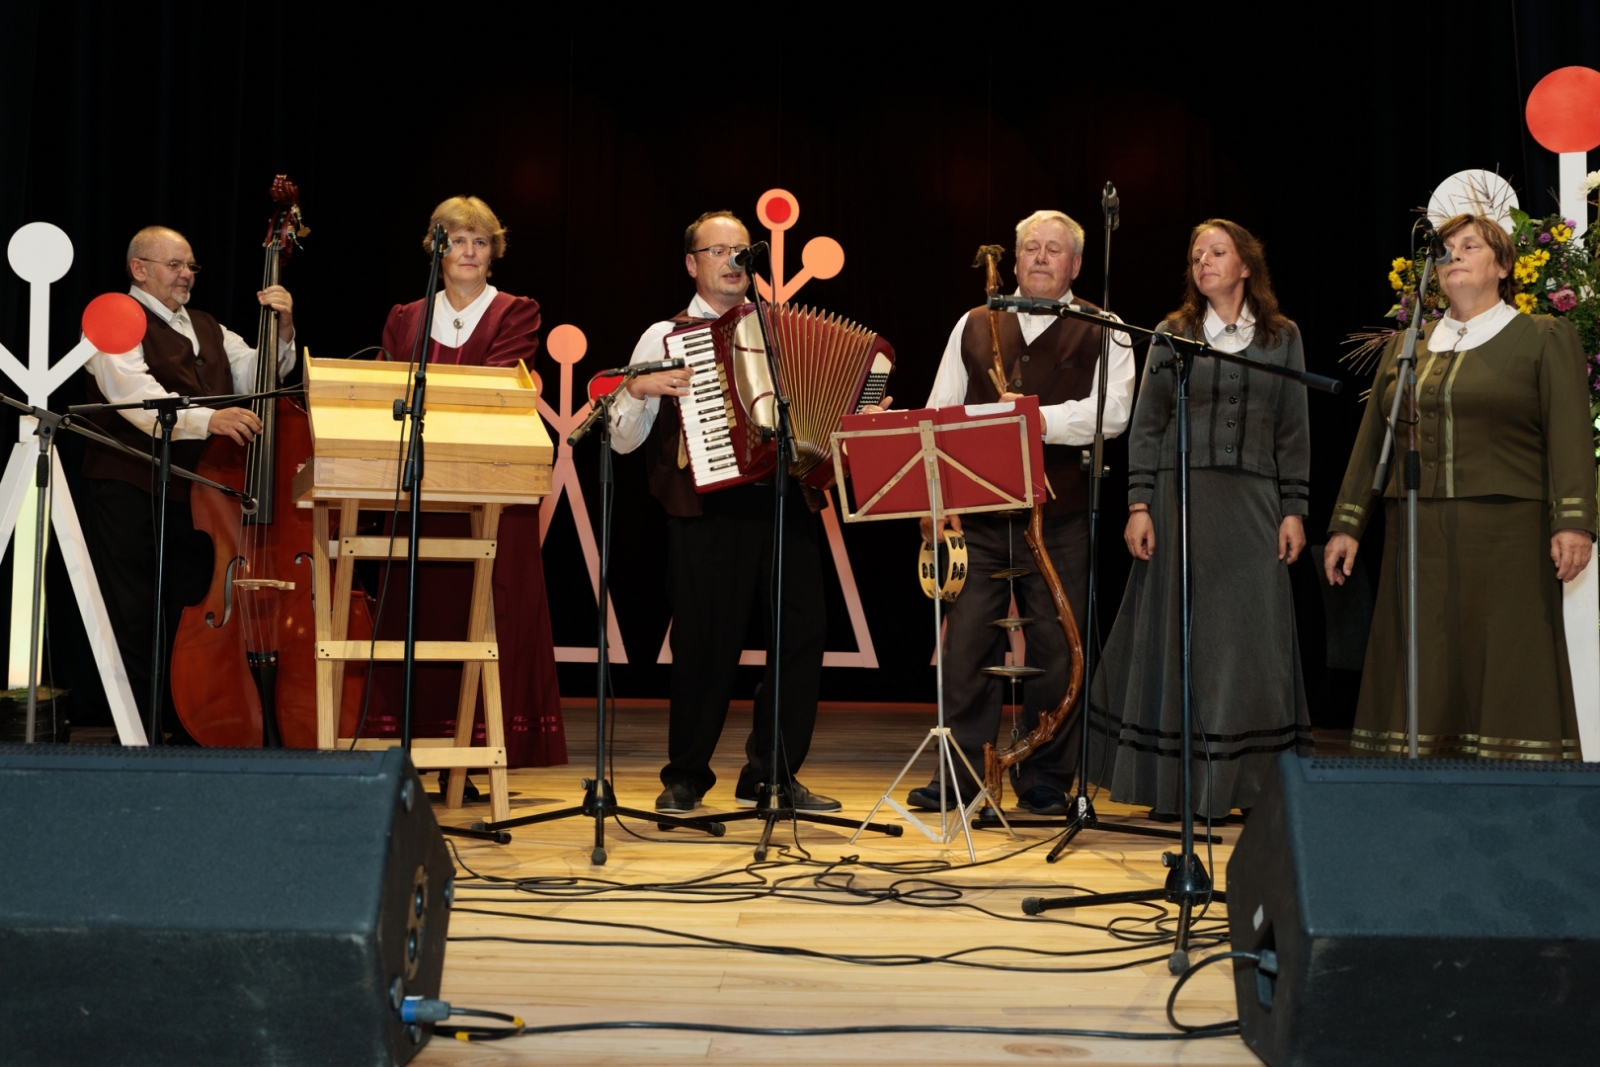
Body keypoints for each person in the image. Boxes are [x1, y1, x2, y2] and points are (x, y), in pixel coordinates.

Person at [1325, 212, 1595, 760]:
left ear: (1502, 266)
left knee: (1508, 659)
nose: (1454, 256)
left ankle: (1516, 788)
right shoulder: (1408, 346)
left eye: (1470, 246)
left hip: (1509, 532)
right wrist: (1348, 524)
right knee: (1424, 656)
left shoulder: (1543, 336)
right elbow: (1375, 440)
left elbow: (1569, 431)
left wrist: (1573, 521)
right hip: (1417, 530)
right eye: (1446, 249)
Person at [608, 209, 840, 815]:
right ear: (692, 263)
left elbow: (820, 410)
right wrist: (634, 391)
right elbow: (622, 440)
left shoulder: (778, 326)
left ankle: (774, 773)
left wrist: (850, 423)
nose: (734, 261)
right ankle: (686, 773)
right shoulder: (665, 336)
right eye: (719, 251)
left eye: (742, 251)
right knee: (706, 643)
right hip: (705, 506)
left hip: (787, 499)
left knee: (801, 637)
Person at [907, 210, 1136, 815]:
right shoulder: (976, 322)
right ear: (1014, 260)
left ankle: (1045, 776)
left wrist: (1034, 418)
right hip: (979, 513)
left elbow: (1112, 415)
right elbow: (939, 411)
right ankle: (961, 774)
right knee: (965, 650)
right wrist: (933, 500)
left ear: (1076, 264)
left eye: (1053, 250)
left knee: (1057, 646)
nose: (1039, 257)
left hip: (1059, 515)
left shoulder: (1106, 328)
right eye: (1030, 248)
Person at [1087, 219, 1314, 821]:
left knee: (1249, 644)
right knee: (1182, 637)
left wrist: (1295, 508)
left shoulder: (1280, 336)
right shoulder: (1173, 333)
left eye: (1217, 252)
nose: (1204, 262)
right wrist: (1139, 503)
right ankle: (1178, 786)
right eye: (1196, 256)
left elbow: (1293, 428)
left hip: (1256, 507)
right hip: (1179, 500)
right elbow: (1149, 423)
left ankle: (1249, 787)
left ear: (1246, 266)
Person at [369, 195, 566, 778]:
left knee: (492, 614)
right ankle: (416, 752)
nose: (469, 251)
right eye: (457, 239)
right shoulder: (405, 316)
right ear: (436, 248)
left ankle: (482, 755)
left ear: (493, 251)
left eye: (480, 241)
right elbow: (386, 391)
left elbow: (495, 383)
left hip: (492, 488)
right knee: (422, 611)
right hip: (420, 489)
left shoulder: (516, 311)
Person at [81, 225, 296, 743]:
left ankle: (186, 725)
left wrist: (282, 328)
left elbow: (262, 375)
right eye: (175, 265)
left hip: (198, 495)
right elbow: (133, 394)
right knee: (136, 614)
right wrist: (211, 420)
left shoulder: (207, 325)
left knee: (186, 614)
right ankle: (138, 732)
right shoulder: (115, 318)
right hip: (130, 483)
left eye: (191, 267)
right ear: (140, 269)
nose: (186, 276)